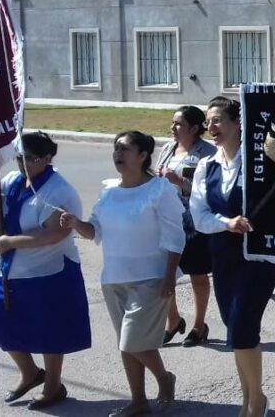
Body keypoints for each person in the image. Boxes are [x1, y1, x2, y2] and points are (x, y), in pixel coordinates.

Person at [61, 131, 182, 417]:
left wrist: (169, 277)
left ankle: (164, 378)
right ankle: (138, 400)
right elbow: (95, 231)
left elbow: (176, 237)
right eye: (116, 148)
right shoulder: (110, 191)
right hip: (113, 278)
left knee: (132, 341)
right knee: (126, 346)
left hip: (151, 278)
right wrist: (76, 223)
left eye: (125, 149)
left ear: (142, 156)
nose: (118, 153)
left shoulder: (160, 190)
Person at [0, 132, 88, 410]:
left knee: (50, 330)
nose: (23, 164)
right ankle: (30, 373)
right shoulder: (13, 180)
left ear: (47, 159)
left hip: (48, 270)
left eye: (31, 159)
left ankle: (53, 384)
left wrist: (11, 242)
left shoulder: (58, 190)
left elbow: (54, 234)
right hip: (9, 270)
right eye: (19, 158)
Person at [188, 97, 275, 417]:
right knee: (235, 329)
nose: (211, 127)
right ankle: (248, 400)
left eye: (218, 121)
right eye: (208, 122)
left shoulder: (260, 162)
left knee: (242, 327)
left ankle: (256, 404)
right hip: (223, 255)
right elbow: (198, 215)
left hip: (258, 257)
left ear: (238, 123)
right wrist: (225, 223)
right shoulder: (206, 166)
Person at [155, 106, 217, 347]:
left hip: (193, 222)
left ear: (193, 128)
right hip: (167, 219)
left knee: (197, 273)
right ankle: (173, 320)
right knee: (164, 271)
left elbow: (207, 192)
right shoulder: (168, 148)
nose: (173, 128)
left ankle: (199, 325)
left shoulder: (206, 153)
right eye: (172, 123)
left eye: (178, 124)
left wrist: (178, 181)